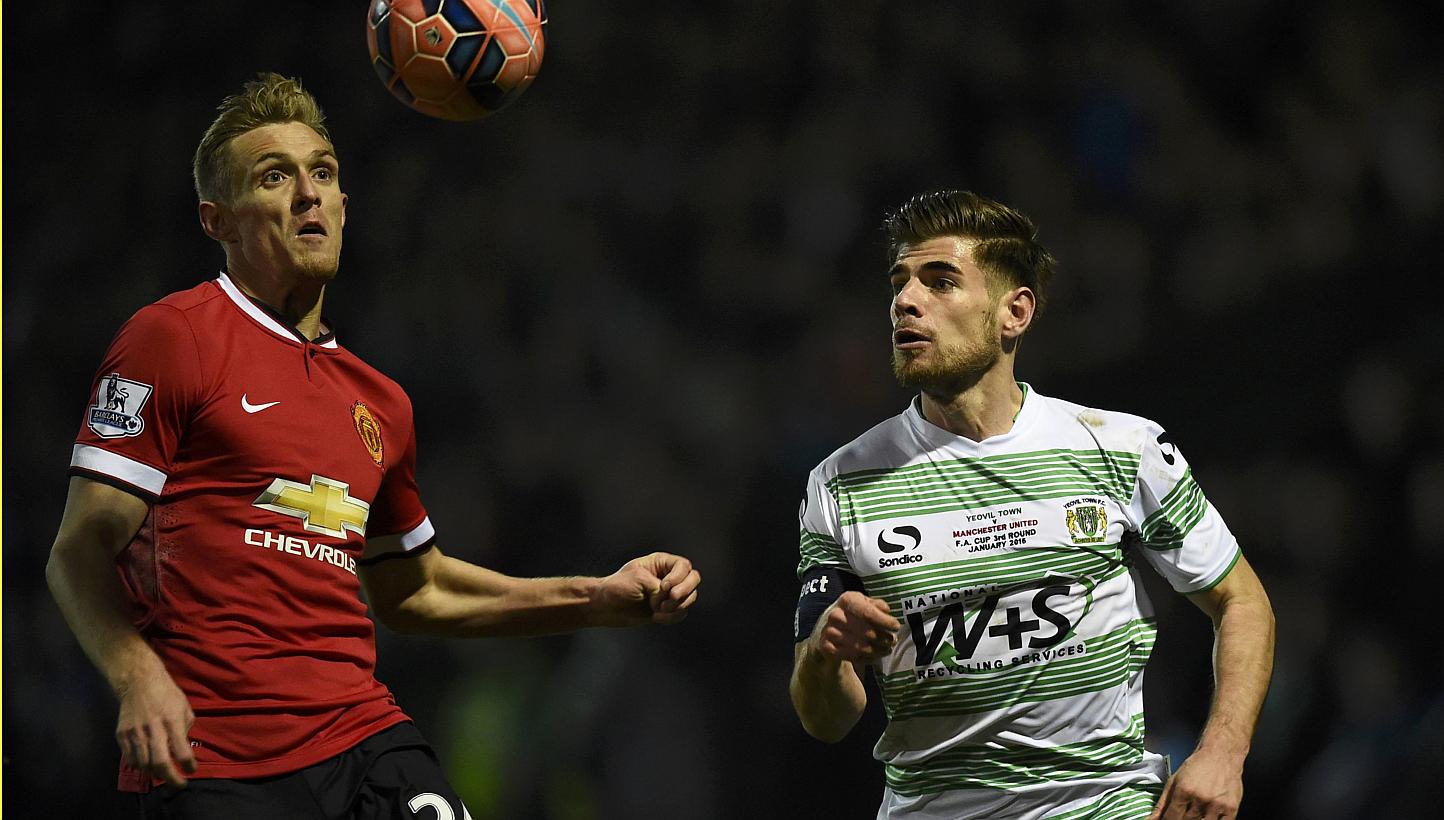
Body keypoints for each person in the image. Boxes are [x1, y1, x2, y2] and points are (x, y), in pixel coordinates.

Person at [45, 73, 702, 820]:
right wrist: (136, 676)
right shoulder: (174, 338)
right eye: (274, 177)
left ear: (345, 205)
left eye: (321, 172)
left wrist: (598, 598)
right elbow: (78, 552)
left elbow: (415, 588)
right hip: (218, 757)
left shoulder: (379, 402)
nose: (308, 193)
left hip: (362, 736)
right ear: (217, 219)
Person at [789, 190, 1274, 820]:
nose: (906, 301)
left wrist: (1223, 752)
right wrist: (827, 652)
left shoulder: (1120, 446)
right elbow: (825, 720)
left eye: (940, 282)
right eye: (900, 283)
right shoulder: (840, 483)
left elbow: (1243, 601)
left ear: (1013, 313)